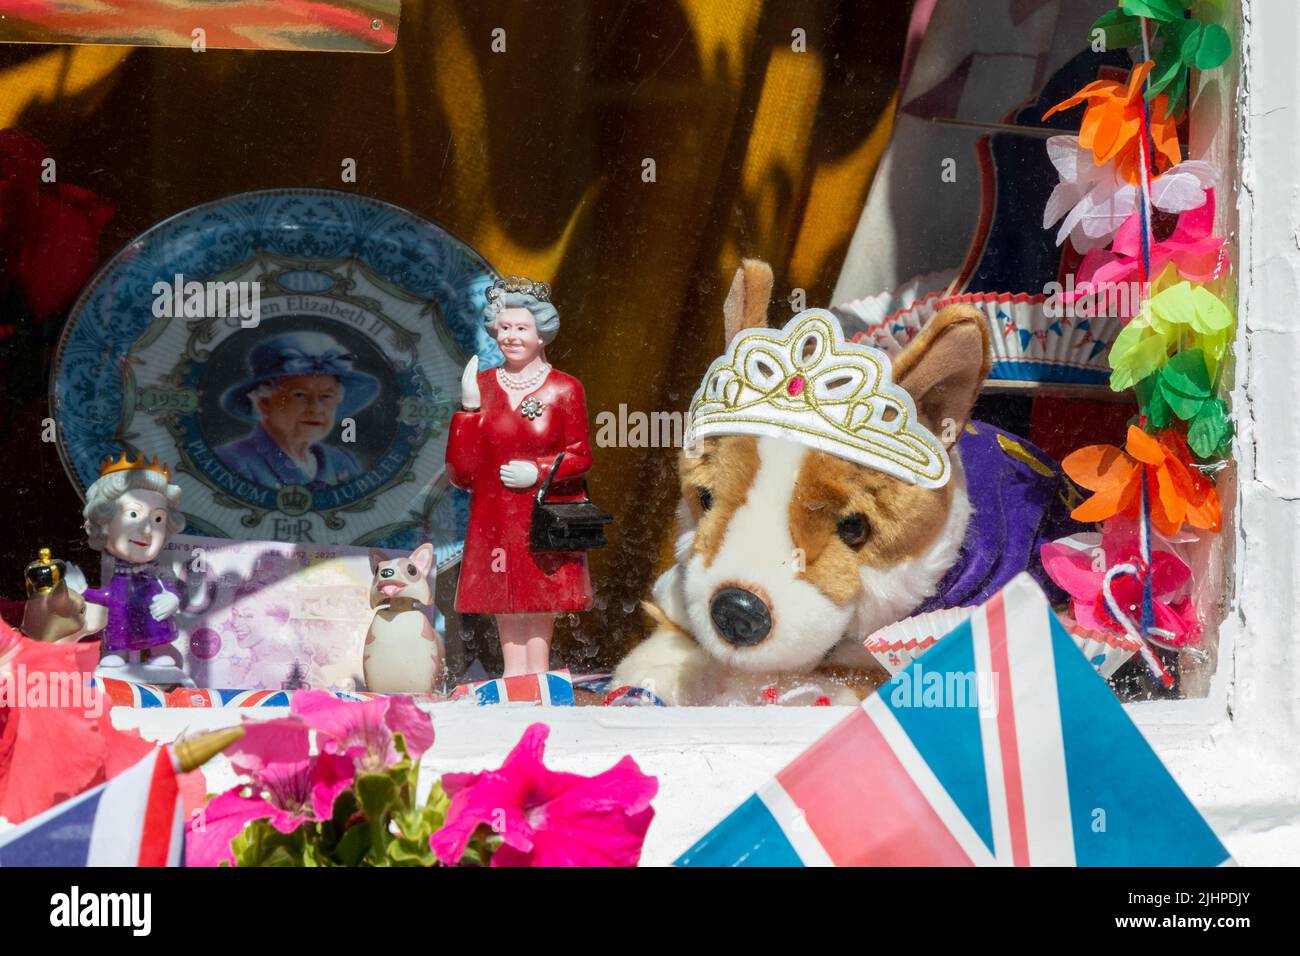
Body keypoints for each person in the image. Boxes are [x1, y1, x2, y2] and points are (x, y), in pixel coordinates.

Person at [445, 278, 593, 677]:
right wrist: (469, 412)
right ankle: (513, 673)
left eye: (521, 328)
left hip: (541, 511)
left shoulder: (565, 389)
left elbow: (580, 456)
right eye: (505, 327)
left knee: (539, 591)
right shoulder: (484, 385)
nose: (510, 336)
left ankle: (539, 671)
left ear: (541, 333)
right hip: (493, 512)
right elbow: (462, 472)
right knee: (502, 592)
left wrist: (540, 471)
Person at [215, 331, 379, 489]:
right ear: (263, 402)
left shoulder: (342, 462)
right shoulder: (232, 461)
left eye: (326, 396)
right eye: (299, 395)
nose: (316, 408)